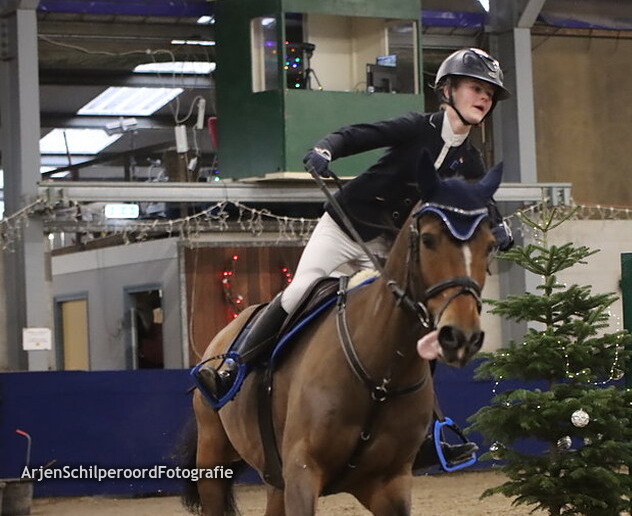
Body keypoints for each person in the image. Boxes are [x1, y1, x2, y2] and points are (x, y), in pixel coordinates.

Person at [196, 47, 513, 467]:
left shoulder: (469, 158)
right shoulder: (415, 127)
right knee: (300, 290)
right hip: (345, 227)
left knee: (410, 321)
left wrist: (501, 224)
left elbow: (478, 199)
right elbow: (359, 133)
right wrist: (326, 150)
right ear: (447, 90)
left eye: (490, 93)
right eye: (477, 88)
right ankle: (232, 370)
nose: (485, 98)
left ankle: (430, 429)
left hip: (383, 246)